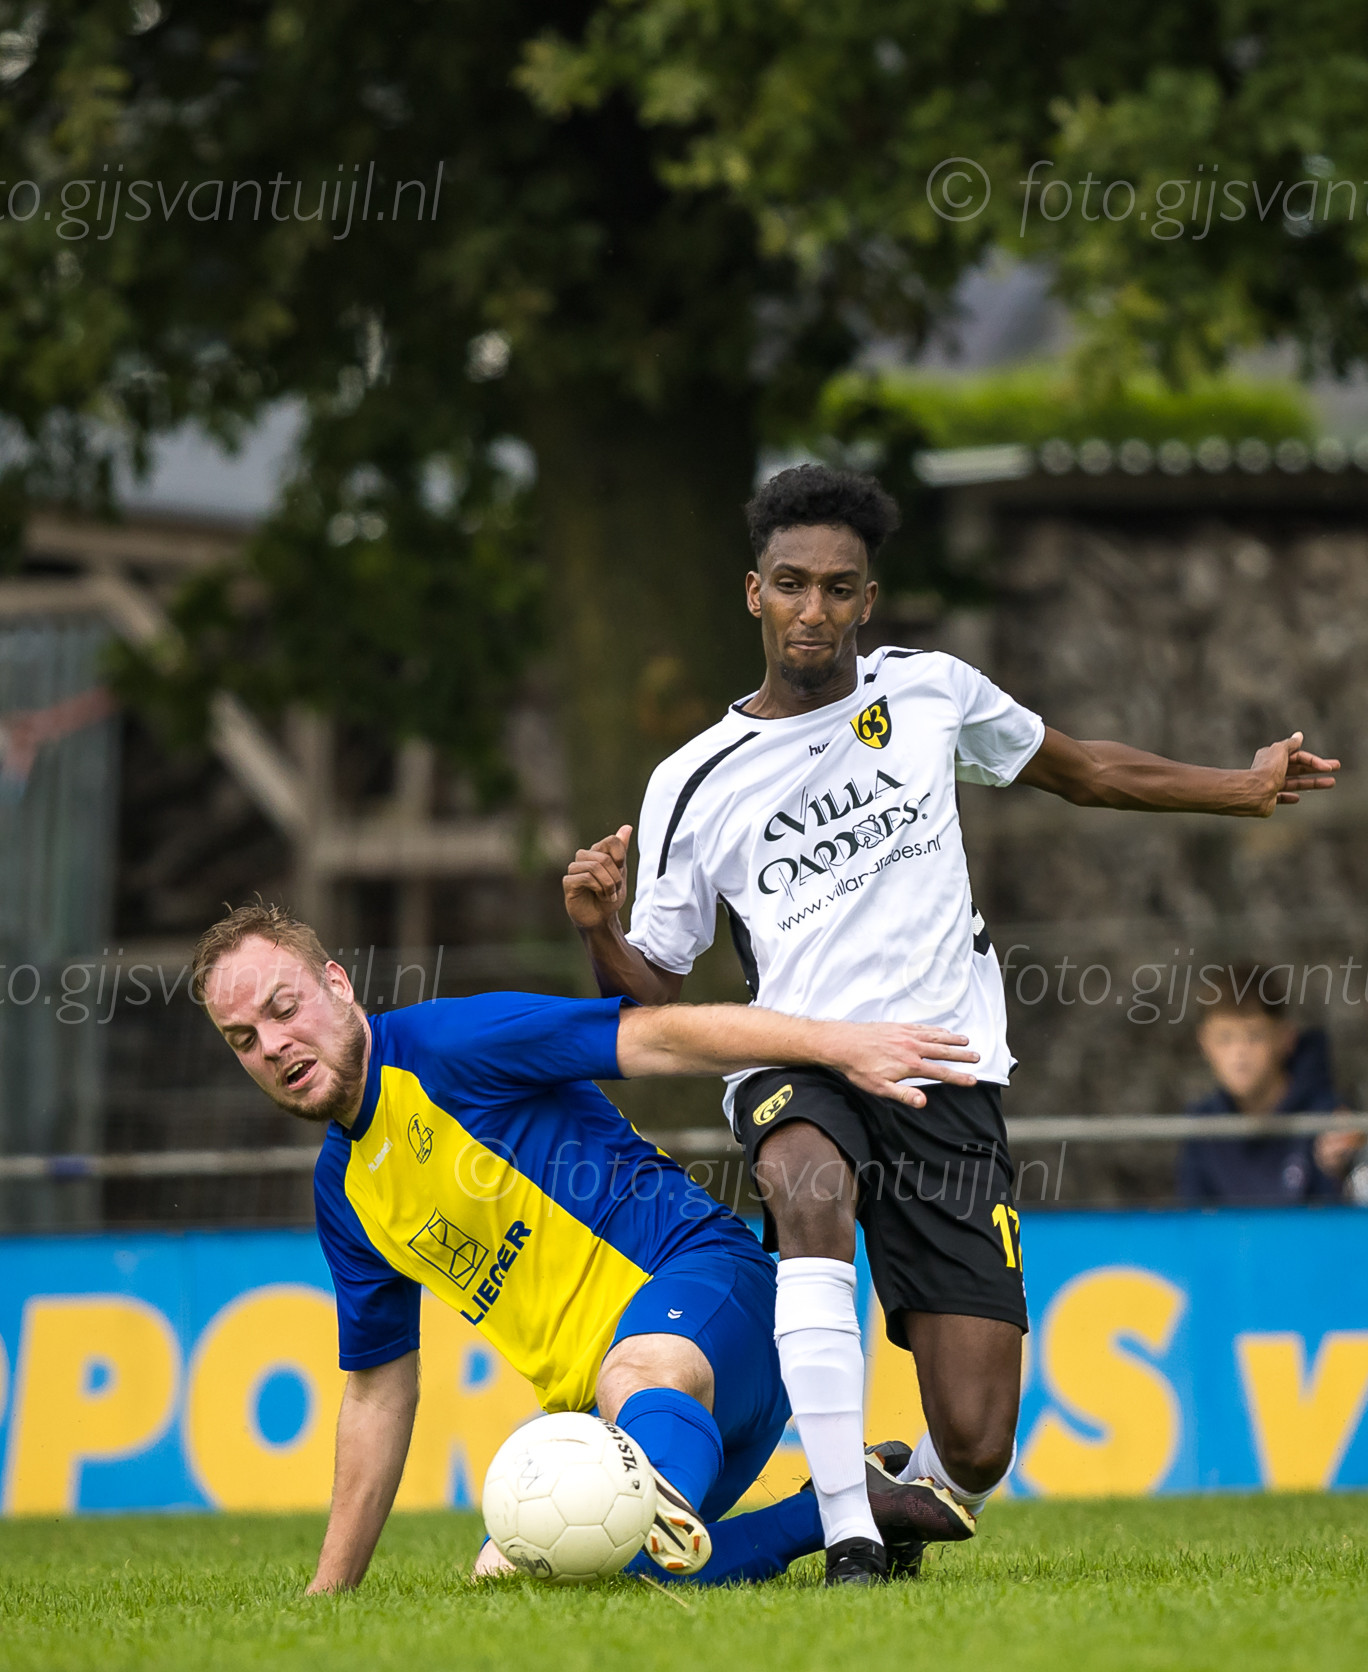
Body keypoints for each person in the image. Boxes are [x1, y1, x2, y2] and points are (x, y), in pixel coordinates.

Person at [562, 462, 1340, 1583]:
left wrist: (1241, 786)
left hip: (945, 1069)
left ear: (868, 600)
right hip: (801, 1060)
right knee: (807, 1186)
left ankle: (893, 1489)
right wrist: (599, 926)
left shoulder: (930, 691)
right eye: (793, 584)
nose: (815, 609)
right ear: (755, 593)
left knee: (974, 1446)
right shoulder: (693, 780)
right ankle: (846, 1529)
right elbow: (655, 999)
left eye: (840, 588)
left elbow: (1084, 770)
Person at [192, 900, 975, 1594]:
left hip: (711, 1295)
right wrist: (329, 1592)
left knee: (629, 1395)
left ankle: (762, 1505)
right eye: (243, 1039)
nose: (273, 1044)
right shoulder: (343, 1191)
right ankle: (850, 1508)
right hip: (636, 1419)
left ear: (336, 983)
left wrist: (836, 1045)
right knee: (520, 1569)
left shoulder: (450, 1044)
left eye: (283, 1008)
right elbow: (377, 1392)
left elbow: (662, 1038)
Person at [1178, 970, 1361, 1206]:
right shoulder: (1201, 1128)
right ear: (1204, 1042)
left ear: (1285, 1038)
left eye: (1254, 1036)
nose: (1239, 1053)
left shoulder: (1329, 1117)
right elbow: (1194, 1218)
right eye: (1225, 1037)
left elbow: (1343, 1216)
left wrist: (1344, 1168)